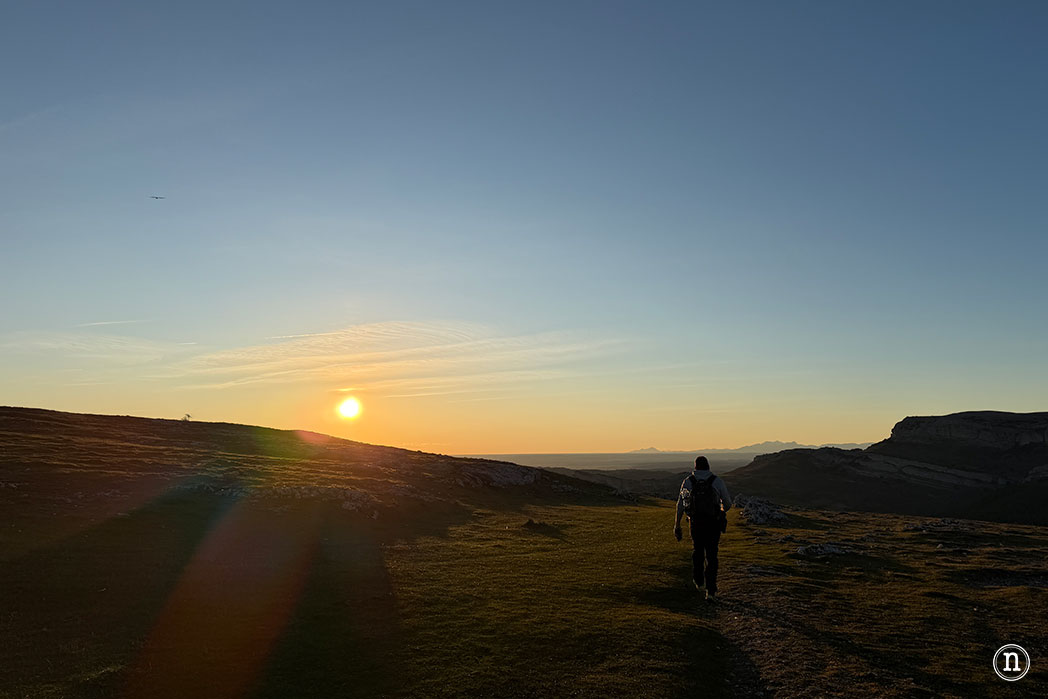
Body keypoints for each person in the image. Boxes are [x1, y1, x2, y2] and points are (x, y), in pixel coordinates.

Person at [674, 455, 732, 601]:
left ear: (695, 467)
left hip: (695, 523)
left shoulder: (688, 482)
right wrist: (721, 511)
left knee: (698, 551)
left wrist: (677, 525)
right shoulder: (716, 481)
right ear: (708, 466)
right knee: (712, 556)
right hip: (713, 524)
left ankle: (698, 580)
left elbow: (680, 505)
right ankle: (711, 591)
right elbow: (728, 502)